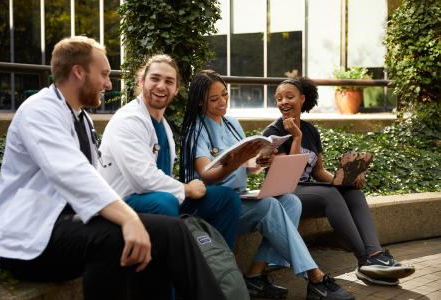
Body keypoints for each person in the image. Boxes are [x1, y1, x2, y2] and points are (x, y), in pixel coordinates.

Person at [0, 37, 226, 300]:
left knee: (172, 232)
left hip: (70, 225)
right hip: (29, 239)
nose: (109, 83)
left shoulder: (80, 117)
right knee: (115, 240)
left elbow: (91, 178)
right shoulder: (39, 111)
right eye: (103, 74)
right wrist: (129, 218)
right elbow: (72, 173)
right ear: (79, 72)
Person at [180, 70, 354, 300]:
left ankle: (253, 276)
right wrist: (241, 160)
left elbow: (248, 167)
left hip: (241, 197)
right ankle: (315, 277)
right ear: (200, 101)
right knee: (270, 207)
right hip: (213, 204)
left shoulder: (231, 123)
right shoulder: (196, 129)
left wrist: (261, 161)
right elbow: (207, 174)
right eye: (214, 99)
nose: (222, 102)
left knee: (291, 202)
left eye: (225, 95)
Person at [263, 77, 416, 286]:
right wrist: (295, 138)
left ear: (302, 99)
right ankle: (365, 261)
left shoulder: (310, 130)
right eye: (279, 98)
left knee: (352, 193)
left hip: (308, 192)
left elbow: (318, 171)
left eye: (289, 97)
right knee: (329, 194)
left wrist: (344, 181)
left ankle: (375, 253)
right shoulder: (272, 133)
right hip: (285, 193)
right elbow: (289, 176)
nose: (283, 102)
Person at [98, 54, 241, 250]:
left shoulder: (162, 124)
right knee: (164, 202)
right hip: (124, 203)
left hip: (162, 199)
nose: (161, 86)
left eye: (169, 81)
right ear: (141, 81)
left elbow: (163, 176)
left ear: (176, 90)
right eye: (155, 78)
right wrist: (186, 188)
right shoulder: (128, 120)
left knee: (226, 198)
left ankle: (220, 268)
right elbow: (143, 179)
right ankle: (175, 275)